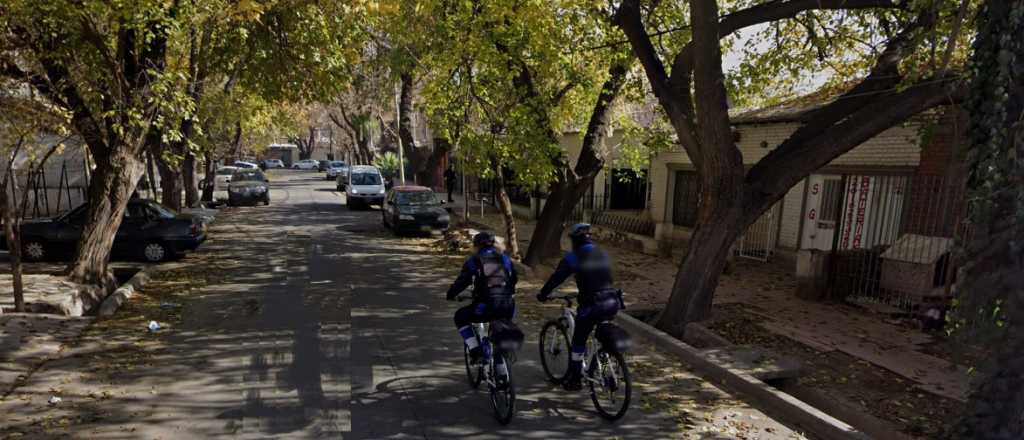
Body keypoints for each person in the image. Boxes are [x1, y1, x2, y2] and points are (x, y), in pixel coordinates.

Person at [537, 223, 621, 391]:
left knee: (578, 341)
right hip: (613, 301)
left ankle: (575, 379)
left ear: (575, 240)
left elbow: (557, 278)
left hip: (593, 305)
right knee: (602, 340)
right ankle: (605, 367)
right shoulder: (602, 253)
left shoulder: (574, 257)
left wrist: (543, 294)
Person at [446, 232, 518, 364]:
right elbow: (514, 279)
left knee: (460, 316)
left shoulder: (473, 261)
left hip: (487, 307)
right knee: (500, 328)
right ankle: (502, 365)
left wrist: (450, 294)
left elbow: (461, 282)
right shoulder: (505, 259)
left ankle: (475, 351)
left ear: (477, 246)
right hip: (509, 306)